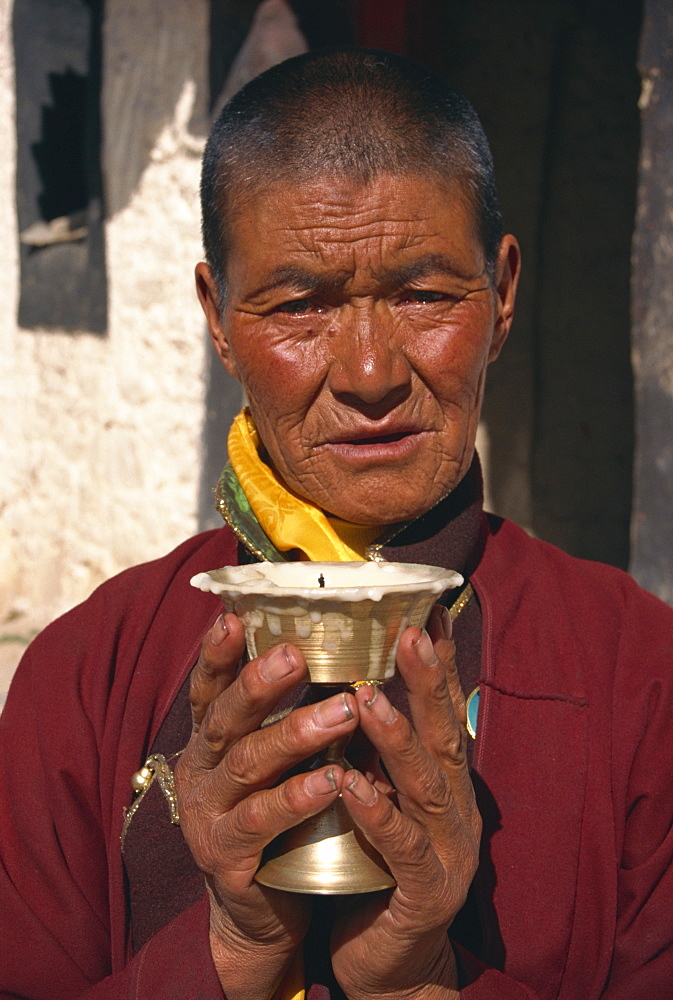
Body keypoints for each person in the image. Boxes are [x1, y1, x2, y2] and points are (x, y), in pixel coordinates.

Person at [1, 48, 672, 1000]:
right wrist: (229, 950)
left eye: (425, 295)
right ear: (218, 317)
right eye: (299, 305)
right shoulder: (89, 674)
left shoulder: (638, 680)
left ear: (505, 294)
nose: (368, 375)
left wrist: (417, 978)